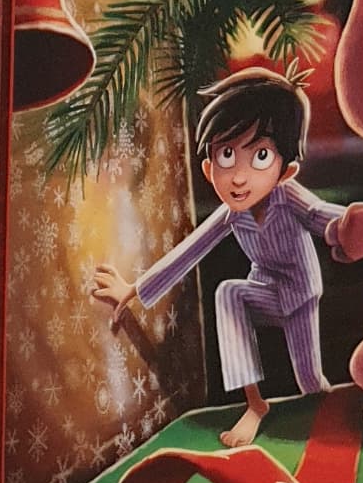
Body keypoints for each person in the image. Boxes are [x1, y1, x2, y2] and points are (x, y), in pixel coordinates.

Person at [91, 66, 343, 448]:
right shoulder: (231, 213)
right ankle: (255, 405)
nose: (238, 176)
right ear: (209, 169)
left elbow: (323, 216)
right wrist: (134, 290)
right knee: (228, 292)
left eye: (259, 156)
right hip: (261, 291)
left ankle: (328, 419)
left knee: (311, 384)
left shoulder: (289, 196)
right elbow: (187, 252)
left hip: (301, 295)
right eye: (227, 155)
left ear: (286, 169)